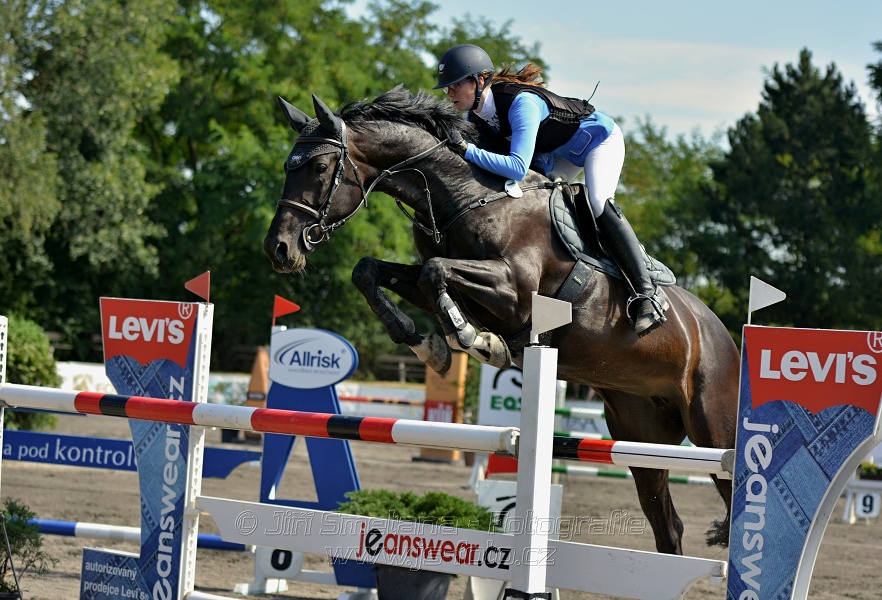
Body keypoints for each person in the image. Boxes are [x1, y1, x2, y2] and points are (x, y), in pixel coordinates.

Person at [434, 43, 668, 337]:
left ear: (481, 80)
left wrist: (466, 150)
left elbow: (517, 166)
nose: (450, 93)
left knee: (597, 201)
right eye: (447, 87)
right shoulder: (473, 119)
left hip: (598, 142)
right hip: (556, 155)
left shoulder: (521, 104)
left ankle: (645, 294)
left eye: (455, 85)